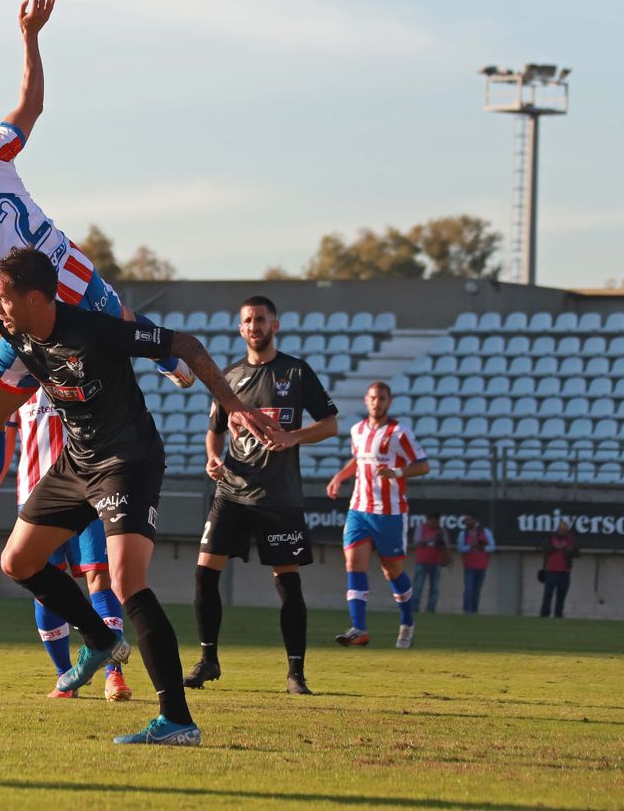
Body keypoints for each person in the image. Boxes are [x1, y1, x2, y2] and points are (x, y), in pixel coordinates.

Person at [0, 0, 196, 566]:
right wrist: (29, 38)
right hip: (76, 273)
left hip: (39, 315)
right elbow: (30, 105)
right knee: (122, 323)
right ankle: (171, 360)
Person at [0, 248, 286, 746]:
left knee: (127, 582)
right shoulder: (12, 331)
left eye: (3, 299)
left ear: (38, 298)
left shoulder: (95, 330)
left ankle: (177, 719)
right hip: (75, 461)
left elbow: (184, 344)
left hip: (128, 460)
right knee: (17, 561)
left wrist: (231, 405)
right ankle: (102, 639)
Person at [187, 295, 339, 696]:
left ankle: (295, 673)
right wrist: (212, 457)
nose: (254, 326)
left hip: (279, 497)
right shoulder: (229, 378)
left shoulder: (296, 372)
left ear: (275, 325)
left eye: (261, 320)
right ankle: (208, 660)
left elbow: (330, 424)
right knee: (204, 573)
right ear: (240, 329)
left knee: (287, 582)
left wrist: (293, 436)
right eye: (247, 320)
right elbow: (215, 428)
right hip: (232, 492)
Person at [10, 390, 130, 702]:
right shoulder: (13, 381)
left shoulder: (74, 365)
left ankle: (113, 674)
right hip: (34, 500)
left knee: (100, 578)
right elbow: (3, 436)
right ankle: (66, 677)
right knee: (43, 587)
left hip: (86, 493)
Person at [326, 381, 430, 649]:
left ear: (389, 401)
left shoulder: (399, 433)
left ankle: (407, 621)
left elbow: (423, 466)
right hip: (359, 509)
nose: (377, 402)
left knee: (392, 571)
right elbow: (358, 460)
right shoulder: (357, 430)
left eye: (382, 398)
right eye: (373, 398)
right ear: (366, 400)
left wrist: (396, 473)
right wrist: (340, 476)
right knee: (353, 564)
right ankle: (358, 628)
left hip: (390, 512)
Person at [411, 512, 451, 614]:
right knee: (418, 587)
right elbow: (417, 542)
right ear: (428, 520)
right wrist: (431, 538)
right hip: (422, 562)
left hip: (436, 562)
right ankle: (414, 608)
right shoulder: (421, 528)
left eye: (437, 521)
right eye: (433, 521)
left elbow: (446, 545)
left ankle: (431, 609)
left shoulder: (441, 531)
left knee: (435, 588)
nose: (435, 523)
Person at [539, 519, 579, 618]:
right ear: (558, 529)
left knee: (561, 596)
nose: (563, 532)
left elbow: (577, 553)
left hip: (565, 572)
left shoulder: (571, 539)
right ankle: (544, 614)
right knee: (548, 595)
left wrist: (569, 551)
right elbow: (544, 549)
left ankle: (558, 614)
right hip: (551, 571)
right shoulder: (550, 538)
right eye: (561, 529)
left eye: (565, 530)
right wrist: (554, 547)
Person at [457, 515, 495, 613]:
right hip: (469, 565)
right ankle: (467, 610)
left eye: (468, 520)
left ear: (474, 520)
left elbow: (492, 546)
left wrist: (483, 548)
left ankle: (474, 610)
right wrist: (471, 546)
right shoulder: (463, 534)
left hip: (481, 565)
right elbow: (461, 548)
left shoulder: (485, 532)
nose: (466, 522)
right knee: (469, 589)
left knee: (477, 590)